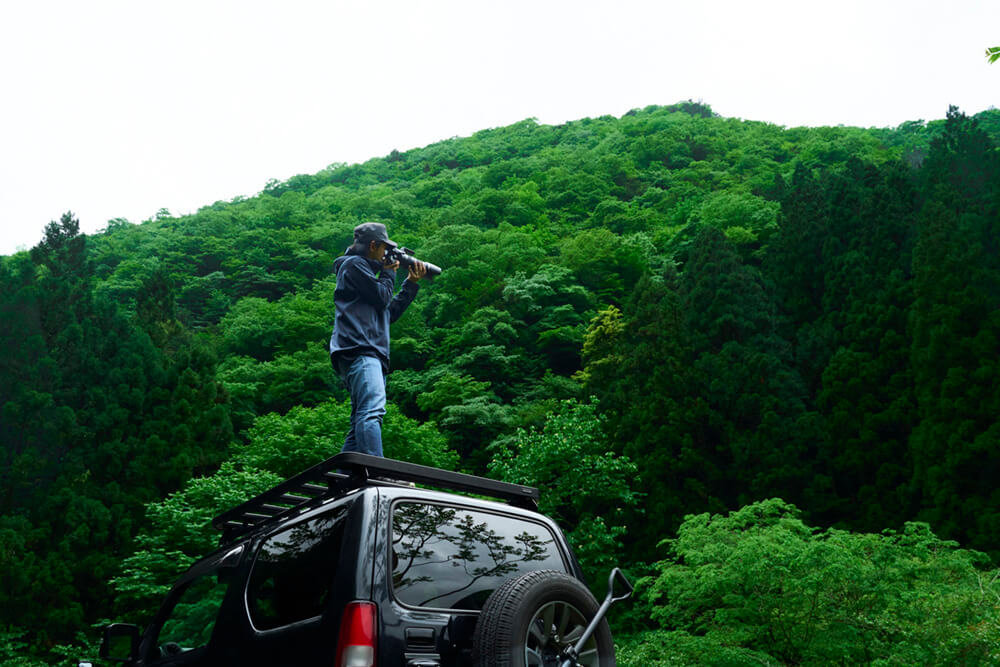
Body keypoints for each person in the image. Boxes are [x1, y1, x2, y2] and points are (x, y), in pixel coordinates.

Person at [329, 222, 426, 457]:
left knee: (360, 420)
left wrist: (410, 285)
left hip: (367, 351)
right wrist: (389, 272)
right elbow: (383, 296)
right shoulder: (353, 266)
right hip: (360, 350)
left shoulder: (365, 275)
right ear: (373, 245)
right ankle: (378, 471)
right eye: (384, 248)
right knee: (372, 412)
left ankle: (343, 479)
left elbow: (388, 313)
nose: (386, 254)